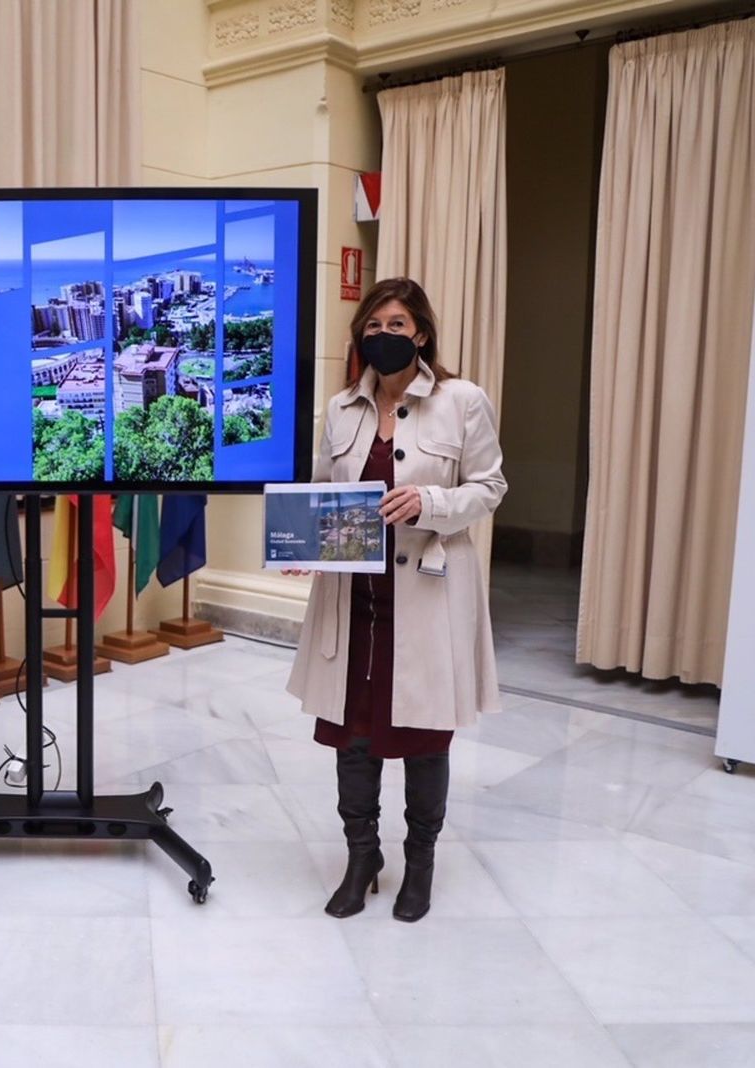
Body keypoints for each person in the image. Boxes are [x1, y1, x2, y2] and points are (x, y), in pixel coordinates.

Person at [286, 277, 505, 922]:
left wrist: (432, 502)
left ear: (423, 335)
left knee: (423, 732)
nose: (385, 336)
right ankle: (362, 857)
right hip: (354, 596)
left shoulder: (462, 401)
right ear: (361, 336)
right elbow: (326, 491)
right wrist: (307, 540)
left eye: (398, 326)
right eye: (374, 326)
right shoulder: (339, 409)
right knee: (351, 732)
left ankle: (421, 864)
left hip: (428, 591)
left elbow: (490, 486)